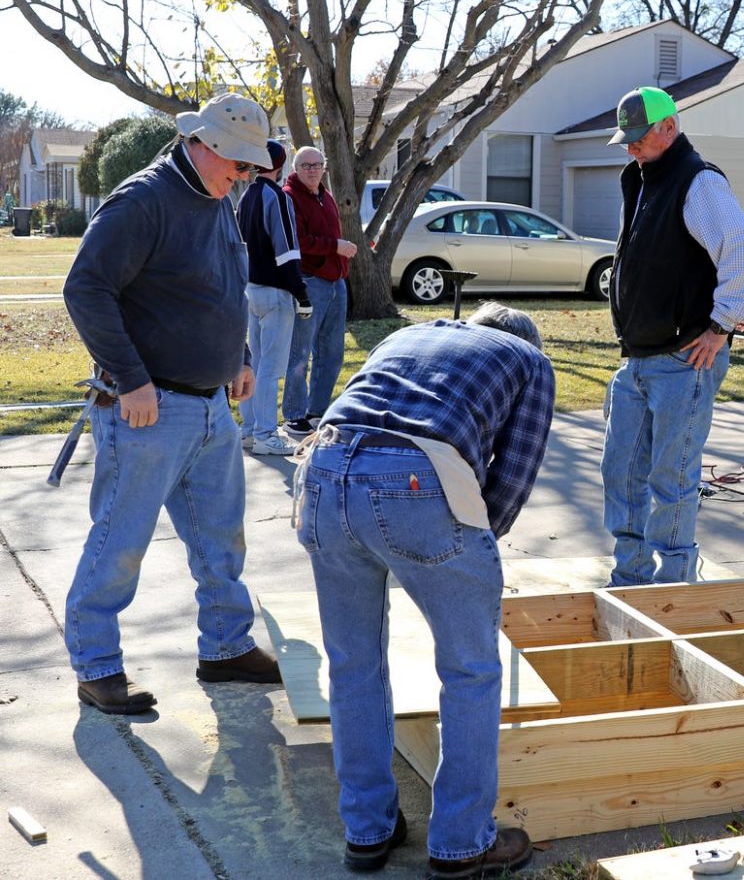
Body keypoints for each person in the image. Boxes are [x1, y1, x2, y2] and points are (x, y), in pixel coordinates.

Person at [296, 303, 553, 877]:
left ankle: (368, 831)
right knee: (470, 672)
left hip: (323, 469)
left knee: (352, 665)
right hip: (414, 476)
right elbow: (512, 478)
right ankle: (462, 845)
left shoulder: (411, 335)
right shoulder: (530, 361)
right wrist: (468, 551)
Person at [62, 93, 283, 716]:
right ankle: (97, 667)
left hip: (211, 407)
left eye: (250, 168)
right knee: (120, 542)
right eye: (238, 165)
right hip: (148, 408)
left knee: (221, 541)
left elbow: (220, 285)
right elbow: (86, 288)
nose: (244, 177)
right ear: (202, 144)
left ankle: (225, 649)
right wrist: (130, 379)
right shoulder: (143, 200)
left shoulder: (217, 198)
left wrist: (238, 354)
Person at [601, 86, 744, 587]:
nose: (631, 146)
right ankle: (629, 577)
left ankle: (673, 587)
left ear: (669, 127)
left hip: (683, 360)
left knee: (671, 478)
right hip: (639, 358)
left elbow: (743, 253)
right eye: (625, 139)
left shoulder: (698, 182)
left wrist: (720, 327)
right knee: (621, 473)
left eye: (640, 136)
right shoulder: (643, 178)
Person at [237, 138, 312, 455]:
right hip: (276, 292)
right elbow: (287, 251)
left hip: (249, 288)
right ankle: (267, 434)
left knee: (254, 363)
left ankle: (250, 431)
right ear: (280, 166)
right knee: (270, 368)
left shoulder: (246, 196)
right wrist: (301, 293)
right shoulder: (277, 197)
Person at [282, 146, 357, 438]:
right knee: (301, 352)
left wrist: (339, 258)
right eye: (305, 165)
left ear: (324, 167)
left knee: (332, 353)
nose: (312, 170)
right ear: (296, 168)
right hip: (310, 282)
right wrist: (335, 246)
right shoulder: (290, 197)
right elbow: (299, 240)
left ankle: (317, 412)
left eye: (317, 165)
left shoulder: (325, 196)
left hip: (336, 282)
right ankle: (294, 415)